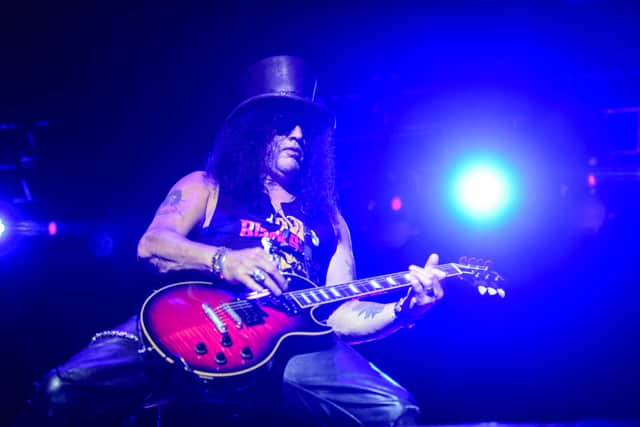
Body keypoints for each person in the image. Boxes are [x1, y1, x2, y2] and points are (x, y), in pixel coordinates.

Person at [14, 56, 445, 427]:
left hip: (291, 346)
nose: (297, 134)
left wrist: (403, 310)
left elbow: (343, 313)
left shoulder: (330, 220)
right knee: (60, 391)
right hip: (189, 325)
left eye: (305, 127)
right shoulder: (206, 186)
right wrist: (225, 260)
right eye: (282, 124)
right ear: (255, 132)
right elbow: (152, 244)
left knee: (394, 410)